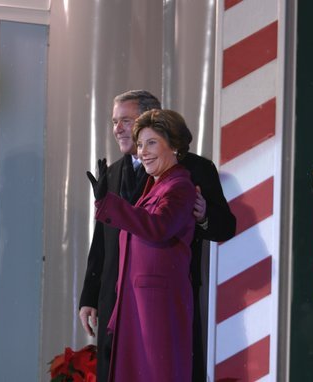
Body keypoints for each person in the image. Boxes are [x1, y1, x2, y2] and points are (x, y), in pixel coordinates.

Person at [79, 90, 236, 382]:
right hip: (117, 297)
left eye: (126, 120)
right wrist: (90, 294)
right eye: (115, 122)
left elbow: (223, 226)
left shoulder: (191, 172)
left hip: (161, 298)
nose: (118, 129)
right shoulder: (111, 173)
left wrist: (203, 217)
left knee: (163, 369)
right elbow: (102, 241)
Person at [87, 109, 196, 381]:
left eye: (152, 143)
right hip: (137, 308)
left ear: (174, 145)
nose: (142, 151)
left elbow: (158, 226)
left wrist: (110, 203)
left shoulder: (180, 186)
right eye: (140, 144)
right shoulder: (155, 187)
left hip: (158, 310)